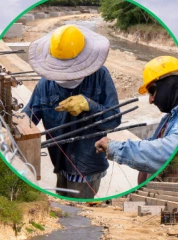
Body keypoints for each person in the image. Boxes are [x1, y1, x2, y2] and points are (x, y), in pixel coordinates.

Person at [23, 24, 120, 199]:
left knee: (76, 208)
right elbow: (28, 117)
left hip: (87, 165)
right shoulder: (45, 84)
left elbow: (113, 120)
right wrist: (10, 127)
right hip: (60, 161)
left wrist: (90, 105)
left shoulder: (100, 76)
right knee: (64, 204)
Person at [95, 56, 178, 183]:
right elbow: (152, 143)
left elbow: (166, 151)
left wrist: (115, 148)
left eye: (151, 91)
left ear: (168, 84)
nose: (151, 100)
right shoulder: (170, 118)